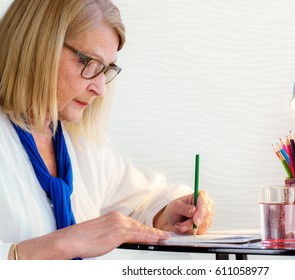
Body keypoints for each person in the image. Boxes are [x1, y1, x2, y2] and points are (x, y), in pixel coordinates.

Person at [0, 0, 214, 260]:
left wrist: (171, 210)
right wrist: (52, 248)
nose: (100, 89)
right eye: (90, 63)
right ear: (37, 47)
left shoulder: (82, 147)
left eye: (106, 70)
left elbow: (143, 200)